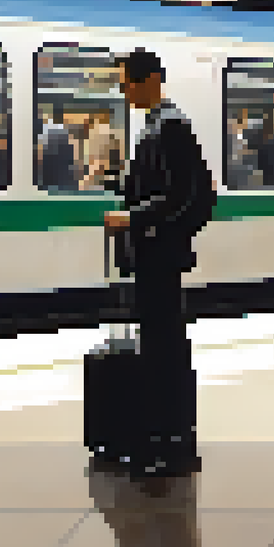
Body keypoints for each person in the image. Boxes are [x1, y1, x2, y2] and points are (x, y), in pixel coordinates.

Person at [101, 49, 216, 476]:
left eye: (127, 83)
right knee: (159, 345)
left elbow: (185, 195)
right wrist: (119, 184)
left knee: (165, 349)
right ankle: (163, 439)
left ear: (150, 80)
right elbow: (160, 187)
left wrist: (133, 217)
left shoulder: (170, 126)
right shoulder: (156, 124)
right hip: (154, 253)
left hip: (160, 254)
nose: (124, 91)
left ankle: (174, 445)